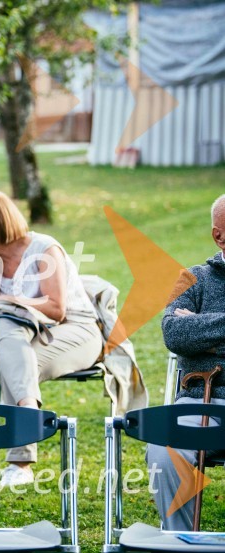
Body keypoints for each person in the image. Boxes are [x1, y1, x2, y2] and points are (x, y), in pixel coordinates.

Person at [0, 191, 101, 486]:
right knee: (8, 338)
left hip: (76, 329)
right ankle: (28, 414)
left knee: (17, 361)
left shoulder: (44, 249)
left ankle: (20, 463)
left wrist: (9, 300)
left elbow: (57, 309)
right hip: (25, 335)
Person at [147, 194, 225, 531]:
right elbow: (175, 334)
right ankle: (180, 542)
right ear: (219, 235)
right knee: (164, 449)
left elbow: (191, 331)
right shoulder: (192, 279)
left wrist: (203, 328)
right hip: (201, 403)